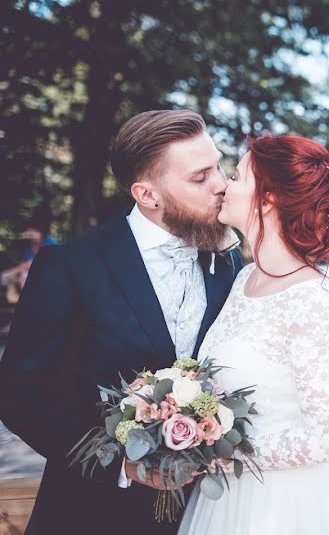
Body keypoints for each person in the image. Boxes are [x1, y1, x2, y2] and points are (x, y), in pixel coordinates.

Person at [0, 110, 243, 535]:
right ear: (147, 194)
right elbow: (20, 395)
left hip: (205, 514)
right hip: (92, 515)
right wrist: (122, 463)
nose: (221, 184)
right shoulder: (70, 266)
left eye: (219, 166)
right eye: (200, 176)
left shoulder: (226, 264)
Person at [177, 133, 329, 534]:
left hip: (285, 507)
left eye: (239, 177)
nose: (224, 185)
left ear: (268, 198)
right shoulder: (245, 277)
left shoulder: (311, 301)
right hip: (224, 498)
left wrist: (221, 445)